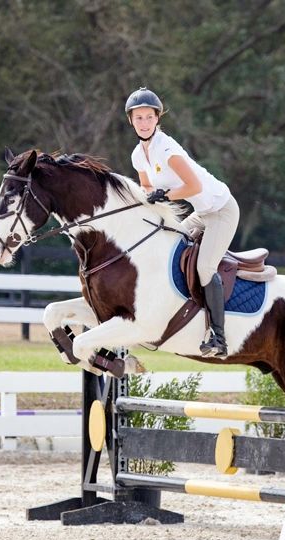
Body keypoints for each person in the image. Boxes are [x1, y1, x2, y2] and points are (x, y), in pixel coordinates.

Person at [125, 87, 239, 358]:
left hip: (221, 210)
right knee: (168, 247)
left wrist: (164, 195)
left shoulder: (167, 149)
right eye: (138, 118)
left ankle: (218, 337)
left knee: (204, 267)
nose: (144, 123)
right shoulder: (138, 155)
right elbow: (147, 192)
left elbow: (193, 186)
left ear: (157, 119)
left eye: (149, 118)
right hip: (201, 213)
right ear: (131, 120)